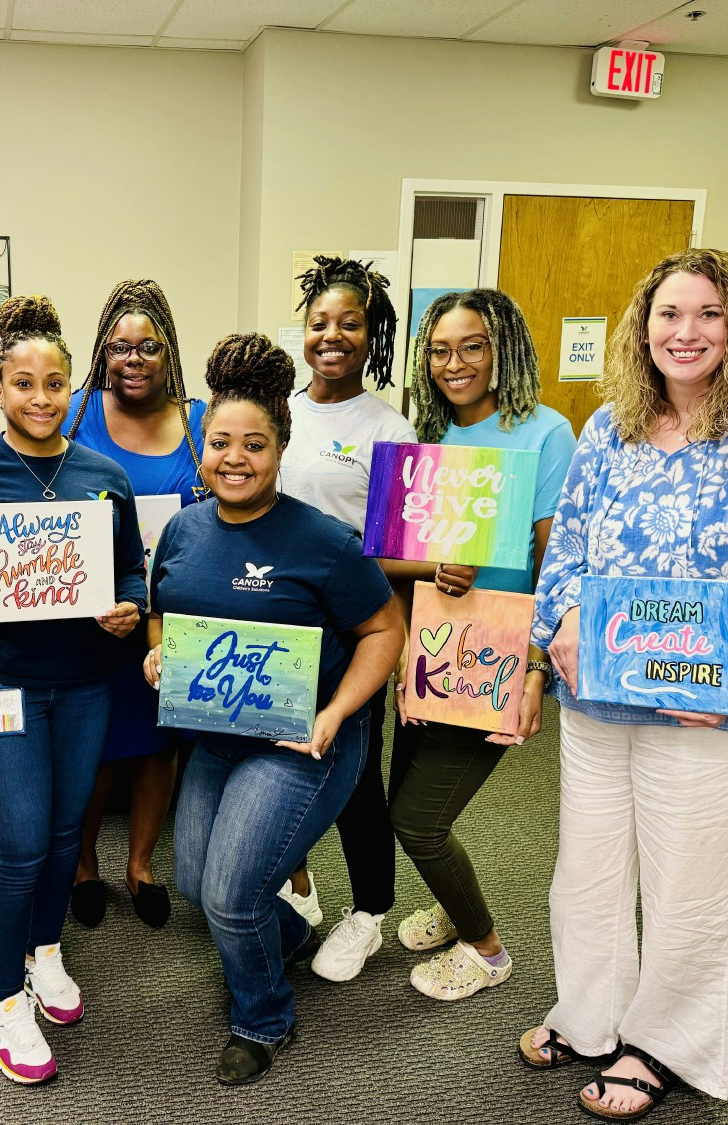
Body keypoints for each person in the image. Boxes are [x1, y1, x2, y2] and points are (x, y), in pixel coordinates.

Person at [521, 249, 728, 1120]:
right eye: (669, 313)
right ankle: (592, 1015)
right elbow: (570, 548)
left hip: (718, 706)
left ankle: (662, 1044)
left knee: (691, 881)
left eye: (708, 313)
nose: (686, 331)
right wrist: (557, 621)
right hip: (602, 690)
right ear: (643, 326)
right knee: (587, 870)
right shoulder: (610, 428)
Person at [146, 333, 405, 1084]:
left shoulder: (323, 541)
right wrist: (157, 652)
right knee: (196, 879)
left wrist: (336, 715)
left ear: (281, 446)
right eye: (221, 441)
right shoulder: (183, 529)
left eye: (254, 444)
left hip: (304, 740)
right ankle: (286, 928)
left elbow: (384, 629)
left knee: (230, 895)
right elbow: (164, 610)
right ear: (203, 445)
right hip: (218, 735)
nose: (235, 457)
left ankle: (264, 1018)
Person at [0, 295, 146, 1086]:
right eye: (23, 383)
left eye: (54, 383)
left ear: (72, 387)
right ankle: (1, 1000)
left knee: (60, 834)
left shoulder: (103, 476)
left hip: (83, 684)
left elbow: (133, 569)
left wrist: (130, 608)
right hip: (1, 687)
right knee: (15, 847)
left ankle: (45, 951)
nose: (40, 398)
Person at [389, 289, 576, 1001]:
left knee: (419, 818)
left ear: (503, 350)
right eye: (439, 349)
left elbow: (555, 565)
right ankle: (453, 901)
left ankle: (487, 948)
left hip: (494, 658)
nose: (454, 362)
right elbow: (400, 557)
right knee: (404, 803)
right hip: (429, 650)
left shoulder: (545, 433)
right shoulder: (430, 437)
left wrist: (533, 671)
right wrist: (409, 653)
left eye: (472, 346)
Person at [274, 255, 417, 982]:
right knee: (274, 753)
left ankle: (369, 913)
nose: (332, 335)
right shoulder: (278, 410)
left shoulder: (389, 426)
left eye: (350, 324)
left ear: (373, 337)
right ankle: (297, 886)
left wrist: (351, 563)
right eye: (320, 322)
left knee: (356, 775)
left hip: (355, 628)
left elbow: (396, 548)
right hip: (278, 623)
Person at [64, 279, 206, 931]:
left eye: (149, 345)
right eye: (120, 346)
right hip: (90, 619)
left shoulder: (200, 422)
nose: (134, 357)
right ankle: (86, 865)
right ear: (102, 351)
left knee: (156, 745)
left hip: (171, 619)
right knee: (92, 748)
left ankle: (141, 865)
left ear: (168, 349)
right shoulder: (71, 414)